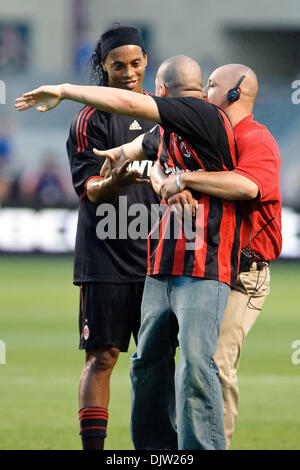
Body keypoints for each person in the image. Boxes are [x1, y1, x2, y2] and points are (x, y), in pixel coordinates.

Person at [29, 24, 160, 451]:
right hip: (106, 255)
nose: (127, 72)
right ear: (102, 66)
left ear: (146, 62)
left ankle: (159, 449)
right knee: (102, 358)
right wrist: (116, 180)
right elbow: (88, 190)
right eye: (117, 64)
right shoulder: (90, 119)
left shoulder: (163, 112)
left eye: (135, 63)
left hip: (158, 256)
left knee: (158, 363)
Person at [154, 63, 282, 449]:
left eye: (210, 85)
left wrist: (186, 179)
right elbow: (154, 158)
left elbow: (247, 186)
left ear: (234, 93)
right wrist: (165, 182)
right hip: (206, 266)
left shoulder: (255, 138)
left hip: (243, 272)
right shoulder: (207, 135)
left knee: (211, 366)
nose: (202, 92)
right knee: (182, 364)